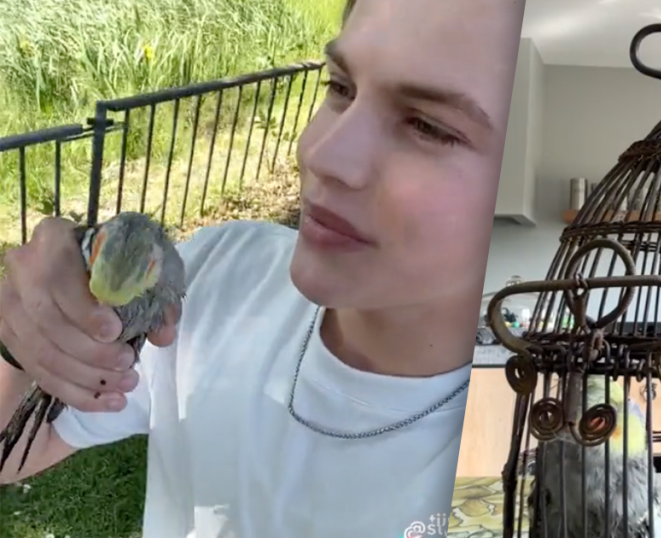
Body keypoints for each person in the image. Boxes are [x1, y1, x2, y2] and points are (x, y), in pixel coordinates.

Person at [0, 0, 523, 536]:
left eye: (428, 127)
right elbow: (14, 448)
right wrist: (22, 337)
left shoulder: (508, 457)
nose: (321, 153)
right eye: (341, 87)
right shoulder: (217, 275)